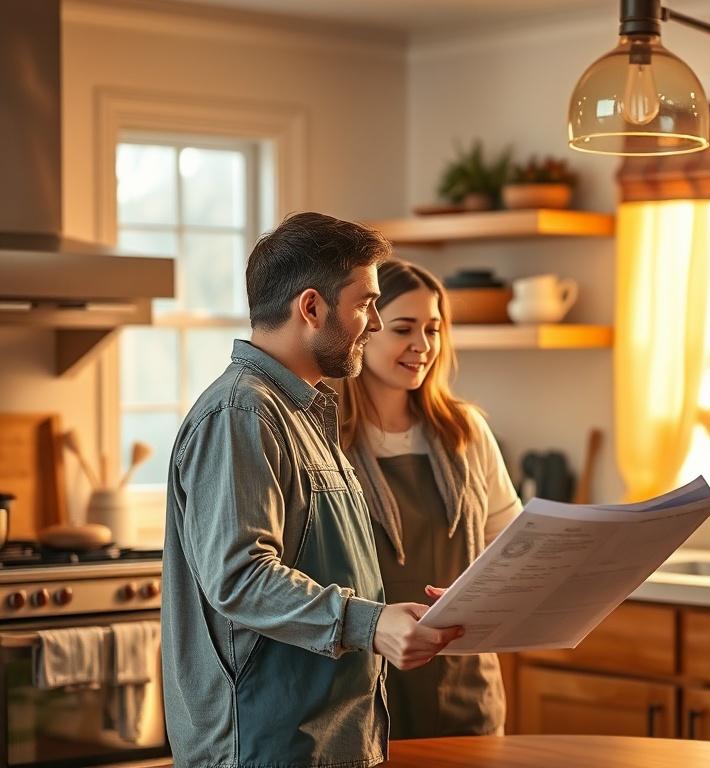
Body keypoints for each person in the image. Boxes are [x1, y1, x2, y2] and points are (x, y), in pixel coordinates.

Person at [161, 213, 463, 768]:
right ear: (311, 308)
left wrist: (395, 615)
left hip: (320, 743)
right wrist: (370, 623)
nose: (374, 323)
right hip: (264, 748)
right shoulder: (241, 413)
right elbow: (240, 578)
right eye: (365, 304)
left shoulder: (302, 411)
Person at [337, 259, 522, 739]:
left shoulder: (465, 431)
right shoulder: (327, 440)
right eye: (404, 329)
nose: (422, 345)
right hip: (361, 697)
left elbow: (512, 548)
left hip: (467, 688)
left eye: (433, 330)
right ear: (363, 331)